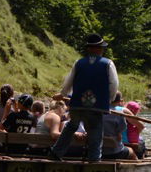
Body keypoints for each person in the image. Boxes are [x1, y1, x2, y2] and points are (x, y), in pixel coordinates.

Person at [51, 33, 119, 161]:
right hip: (97, 106)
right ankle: (94, 158)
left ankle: (56, 152)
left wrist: (63, 94)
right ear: (99, 49)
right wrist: (109, 99)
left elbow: (68, 82)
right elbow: (114, 84)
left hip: (77, 103)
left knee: (71, 126)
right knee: (96, 131)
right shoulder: (108, 63)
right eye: (101, 48)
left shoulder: (79, 63)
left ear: (89, 48)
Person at [103, 93, 137, 160]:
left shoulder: (98, 110)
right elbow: (122, 129)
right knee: (131, 152)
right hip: (115, 152)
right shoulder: (119, 112)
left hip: (96, 150)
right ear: (119, 101)